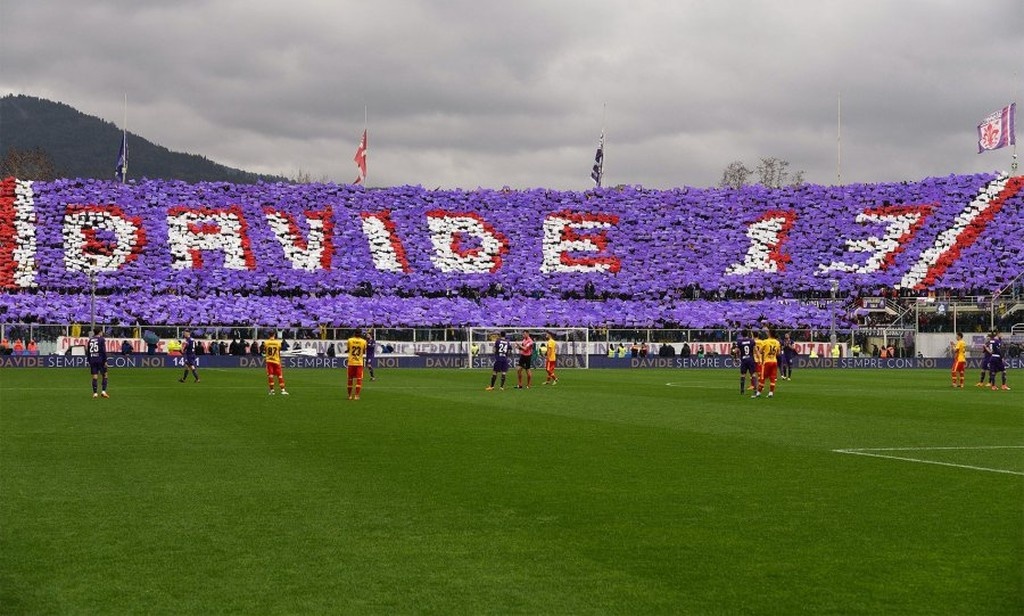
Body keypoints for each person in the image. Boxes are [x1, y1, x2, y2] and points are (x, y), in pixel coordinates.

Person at [753, 328, 781, 399]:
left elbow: (760, 351)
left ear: (769, 333)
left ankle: (758, 393)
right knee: (772, 378)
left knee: (762, 377)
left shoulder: (765, 341)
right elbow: (778, 353)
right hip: (774, 361)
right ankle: (771, 393)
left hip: (766, 362)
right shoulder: (777, 342)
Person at [86, 327, 109, 398]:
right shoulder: (101, 339)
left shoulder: (90, 340)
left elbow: (88, 351)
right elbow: (103, 351)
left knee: (95, 376)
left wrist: (89, 360)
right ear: (99, 332)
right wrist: (105, 361)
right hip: (100, 359)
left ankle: (95, 393)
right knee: (105, 375)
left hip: (93, 359)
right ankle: (103, 392)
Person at [733, 329, 758, 395]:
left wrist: (735, 355)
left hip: (744, 360)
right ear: (747, 334)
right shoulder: (752, 341)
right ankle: (755, 390)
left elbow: (736, 351)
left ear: (741, 334)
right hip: (751, 359)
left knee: (743, 375)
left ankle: (742, 391)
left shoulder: (739, 342)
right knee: (753, 374)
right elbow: (756, 350)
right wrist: (759, 358)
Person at [346, 330, 368, 400]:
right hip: (359, 363)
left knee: (350, 379)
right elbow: (364, 351)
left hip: (351, 362)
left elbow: (349, 349)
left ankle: (349, 396)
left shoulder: (350, 340)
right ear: (361, 334)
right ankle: (356, 396)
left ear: (354, 333)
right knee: (359, 380)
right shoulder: (364, 341)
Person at [264, 331, 287, 395]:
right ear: (274, 335)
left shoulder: (266, 342)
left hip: (269, 360)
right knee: (280, 375)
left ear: (269, 335)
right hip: (276, 360)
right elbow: (279, 351)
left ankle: (272, 391)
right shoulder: (278, 342)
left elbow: (265, 350)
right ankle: (283, 390)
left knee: (270, 375)